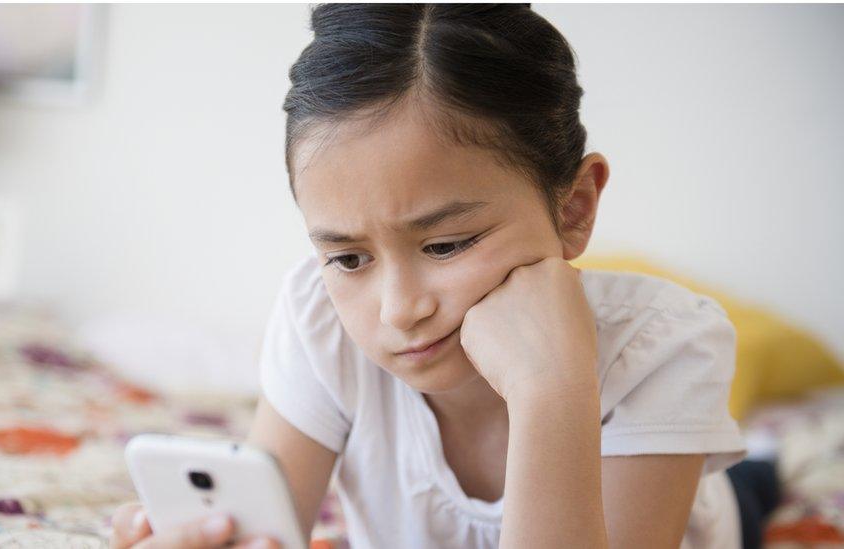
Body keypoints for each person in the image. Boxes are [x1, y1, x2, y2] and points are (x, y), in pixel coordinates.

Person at [111, 4, 771, 548]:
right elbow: (268, 528)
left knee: (752, 485)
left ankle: (763, 470)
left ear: (573, 209)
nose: (400, 310)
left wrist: (552, 390)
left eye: (448, 244)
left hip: (686, 516)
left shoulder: (662, 348)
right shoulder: (321, 320)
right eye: (348, 258)